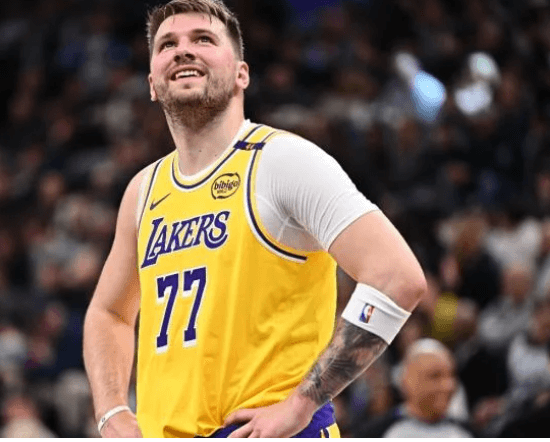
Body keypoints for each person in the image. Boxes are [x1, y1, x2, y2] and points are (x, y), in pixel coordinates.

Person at [82, 0, 426, 437]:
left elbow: (397, 276)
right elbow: (108, 312)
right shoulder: (143, 190)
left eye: (203, 39)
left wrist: (302, 404)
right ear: (152, 83)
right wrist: (112, 413)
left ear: (242, 73)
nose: (183, 50)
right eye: (167, 44)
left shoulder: (282, 160)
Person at [355, 339, 474, 438]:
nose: (448, 385)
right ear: (407, 381)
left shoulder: (468, 433)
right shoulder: (376, 433)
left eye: (451, 375)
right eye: (435, 376)